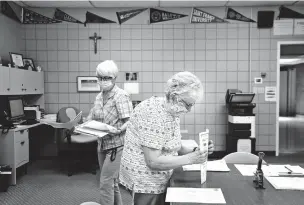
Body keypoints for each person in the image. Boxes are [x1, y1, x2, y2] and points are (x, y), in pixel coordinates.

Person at [119, 71, 215, 205]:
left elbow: (175, 146)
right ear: (175, 96)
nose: (189, 110)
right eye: (188, 104)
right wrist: (191, 159)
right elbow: (153, 162)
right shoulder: (152, 114)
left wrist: (196, 150)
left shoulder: (173, 111)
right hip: (146, 181)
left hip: (163, 175)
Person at [87, 60, 133, 205]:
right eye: (100, 78)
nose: (103, 81)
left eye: (107, 78)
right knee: (112, 183)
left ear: (114, 78)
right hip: (102, 144)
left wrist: (118, 130)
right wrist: (81, 125)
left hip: (117, 146)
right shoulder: (99, 97)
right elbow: (92, 117)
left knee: (105, 182)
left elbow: (130, 121)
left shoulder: (121, 95)